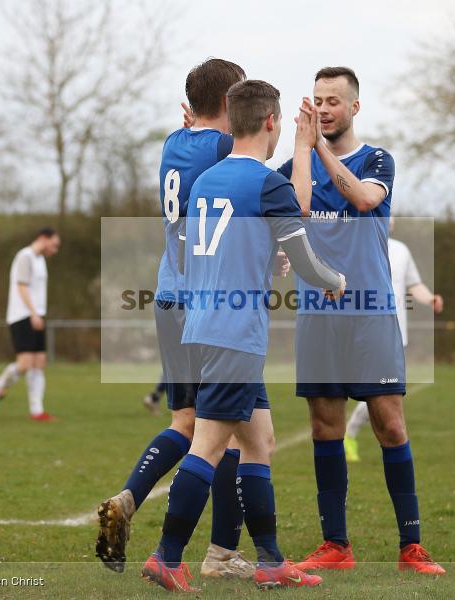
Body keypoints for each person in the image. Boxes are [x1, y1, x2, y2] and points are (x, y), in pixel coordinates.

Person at [141, 79, 342, 592]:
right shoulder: (265, 183)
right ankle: (166, 557)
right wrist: (335, 281)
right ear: (272, 122)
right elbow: (305, 263)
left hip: (201, 328)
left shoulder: (207, 179)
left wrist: (254, 259)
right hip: (235, 334)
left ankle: (272, 562)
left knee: (260, 441)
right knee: (207, 447)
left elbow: (188, 255)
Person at [97, 59, 266, 580]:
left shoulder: (174, 142)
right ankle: (220, 553)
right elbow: (258, 164)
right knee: (229, 432)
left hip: (168, 295)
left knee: (187, 423)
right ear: (234, 99)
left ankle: (130, 496)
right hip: (209, 302)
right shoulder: (222, 148)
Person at [275, 67, 445, 575]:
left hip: (370, 311)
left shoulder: (377, 160)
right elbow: (289, 216)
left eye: (333, 101)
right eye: (317, 100)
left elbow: (365, 199)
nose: (323, 108)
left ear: (354, 107)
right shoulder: (293, 167)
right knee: (324, 428)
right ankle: (336, 545)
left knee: (389, 425)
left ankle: (411, 547)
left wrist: (319, 150)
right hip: (317, 314)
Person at [343, 218, 443, 462]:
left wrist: (429, 298)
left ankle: (350, 433)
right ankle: (349, 433)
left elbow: (414, 284)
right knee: (378, 391)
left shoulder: (401, 250)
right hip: (364, 330)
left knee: (385, 392)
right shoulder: (354, 246)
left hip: (397, 333)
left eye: (389, 216)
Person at [0, 227, 60, 421]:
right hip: (22, 315)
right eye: (54, 244)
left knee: (39, 362)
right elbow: (22, 286)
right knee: (24, 363)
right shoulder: (25, 256)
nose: (55, 249)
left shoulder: (40, 260)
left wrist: (38, 314)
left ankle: (37, 411)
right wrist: (33, 313)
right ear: (43, 238)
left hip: (37, 315)